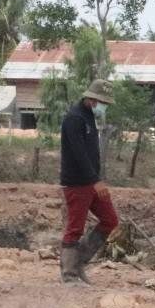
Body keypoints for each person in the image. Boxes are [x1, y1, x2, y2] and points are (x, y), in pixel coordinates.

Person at [59, 79, 119, 284]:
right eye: (103, 102)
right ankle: (69, 274)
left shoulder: (89, 117)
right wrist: (95, 180)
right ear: (93, 99)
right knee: (75, 227)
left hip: (92, 181)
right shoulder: (74, 119)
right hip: (77, 182)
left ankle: (79, 263)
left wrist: (96, 179)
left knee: (110, 220)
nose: (104, 106)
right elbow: (79, 154)